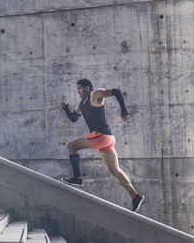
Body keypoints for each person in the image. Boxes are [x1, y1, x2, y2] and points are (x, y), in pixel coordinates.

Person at [60, 79, 144, 212]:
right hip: (107, 139)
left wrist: (124, 110)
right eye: (77, 89)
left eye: (80, 88)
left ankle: (77, 178)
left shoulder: (95, 95)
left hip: (101, 135)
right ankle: (135, 196)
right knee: (115, 170)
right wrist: (65, 109)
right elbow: (73, 119)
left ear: (87, 88)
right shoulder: (81, 104)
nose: (78, 91)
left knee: (71, 146)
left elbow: (116, 91)